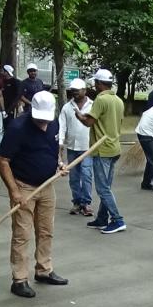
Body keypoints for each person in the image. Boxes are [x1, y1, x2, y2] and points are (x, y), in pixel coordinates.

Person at [0, 91, 69, 298]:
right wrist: (14, 192)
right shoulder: (18, 128)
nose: (44, 123)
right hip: (23, 186)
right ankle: (19, 279)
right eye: (40, 118)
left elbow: (54, 148)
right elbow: (2, 160)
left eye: (47, 118)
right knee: (22, 235)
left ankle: (44, 270)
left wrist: (59, 164)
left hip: (47, 185)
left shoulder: (54, 123)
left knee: (46, 230)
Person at [76, 68, 126, 234]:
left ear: (98, 83)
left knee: (103, 188)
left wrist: (79, 115)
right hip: (114, 147)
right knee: (107, 187)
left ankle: (117, 220)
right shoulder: (118, 100)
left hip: (102, 149)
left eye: (95, 83)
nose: (94, 85)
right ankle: (102, 218)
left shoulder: (100, 99)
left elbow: (89, 122)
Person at [58, 78, 94, 216]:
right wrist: (61, 143)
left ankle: (86, 203)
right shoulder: (67, 107)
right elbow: (62, 126)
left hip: (87, 148)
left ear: (84, 91)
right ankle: (77, 202)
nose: (74, 93)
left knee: (86, 175)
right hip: (72, 147)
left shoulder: (92, 105)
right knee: (73, 177)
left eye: (77, 91)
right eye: (72, 91)